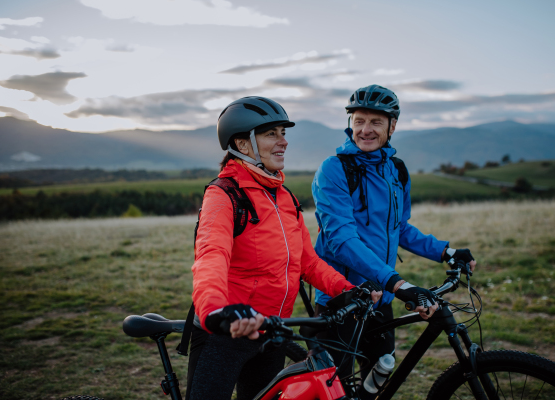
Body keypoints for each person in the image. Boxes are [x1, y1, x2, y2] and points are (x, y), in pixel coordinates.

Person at [186, 96, 381, 400]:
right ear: (243, 144)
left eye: (283, 133)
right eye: (271, 134)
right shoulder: (224, 195)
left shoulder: (284, 197)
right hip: (227, 332)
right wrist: (217, 312)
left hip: (273, 331)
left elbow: (308, 262)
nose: (283, 142)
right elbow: (211, 257)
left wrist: (345, 289)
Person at [311, 84, 476, 397]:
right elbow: (340, 238)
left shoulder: (396, 171)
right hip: (342, 300)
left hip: (381, 301)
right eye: (359, 121)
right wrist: (396, 282)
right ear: (350, 123)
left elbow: (399, 228)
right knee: (335, 393)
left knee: (377, 385)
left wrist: (446, 251)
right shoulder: (334, 170)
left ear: (392, 126)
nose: (366, 130)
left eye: (375, 122)